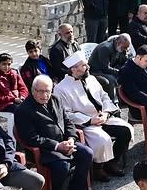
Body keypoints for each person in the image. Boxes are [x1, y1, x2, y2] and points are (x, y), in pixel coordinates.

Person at [14, 75, 93, 190]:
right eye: (40, 91)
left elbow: (68, 122)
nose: (44, 95)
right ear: (33, 91)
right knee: (62, 165)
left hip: (64, 142)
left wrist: (71, 139)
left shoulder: (56, 99)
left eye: (47, 91)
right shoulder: (23, 110)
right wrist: (57, 146)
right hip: (44, 149)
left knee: (87, 153)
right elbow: (31, 138)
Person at [54, 51, 132, 181]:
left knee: (126, 130)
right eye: (84, 65)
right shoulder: (61, 89)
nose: (88, 67)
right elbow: (66, 114)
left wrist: (106, 113)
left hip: (102, 117)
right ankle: (98, 168)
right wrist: (90, 120)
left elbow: (104, 97)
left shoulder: (91, 78)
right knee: (102, 140)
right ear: (73, 69)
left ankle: (111, 162)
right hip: (86, 123)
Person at [88, 33, 132, 99]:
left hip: (109, 68)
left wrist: (125, 56)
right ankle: (112, 101)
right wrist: (120, 72)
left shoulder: (119, 47)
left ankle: (125, 98)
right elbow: (105, 68)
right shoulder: (105, 48)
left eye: (127, 48)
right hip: (97, 70)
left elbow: (122, 62)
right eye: (124, 47)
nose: (125, 49)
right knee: (111, 79)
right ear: (118, 42)